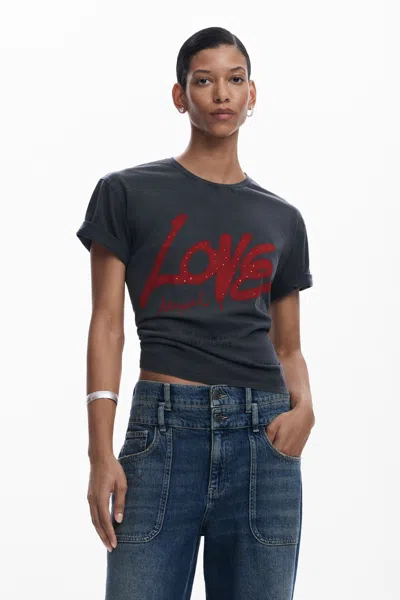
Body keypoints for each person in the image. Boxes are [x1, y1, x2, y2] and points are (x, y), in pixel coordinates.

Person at [76, 26, 315, 600]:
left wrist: (305, 408)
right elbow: (106, 324)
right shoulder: (127, 193)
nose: (221, 93)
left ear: (253, 94)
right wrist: (100, 452)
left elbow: (288, 346)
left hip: (263, 439)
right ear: (180, 96)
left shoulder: (283, 218)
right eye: (204, 81)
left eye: (235, 79)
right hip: (162, 433)